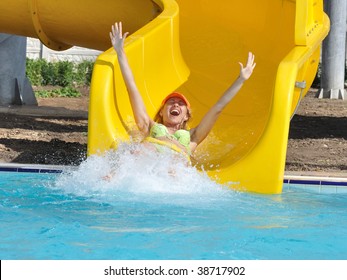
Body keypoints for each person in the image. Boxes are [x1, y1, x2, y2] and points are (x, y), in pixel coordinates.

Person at [109, 22, 256, 164]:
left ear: (186, 115)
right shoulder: (148, 126)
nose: (176, 104)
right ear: (161, 112)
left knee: (177, 160)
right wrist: (120, 52)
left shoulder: (193, 137)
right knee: (139, 150)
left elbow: (218, 107)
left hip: (174, 174)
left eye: (181, 104)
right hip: (145, 164)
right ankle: (111, 177)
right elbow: (132, 88)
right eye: (171, 102)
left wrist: (240, 80)